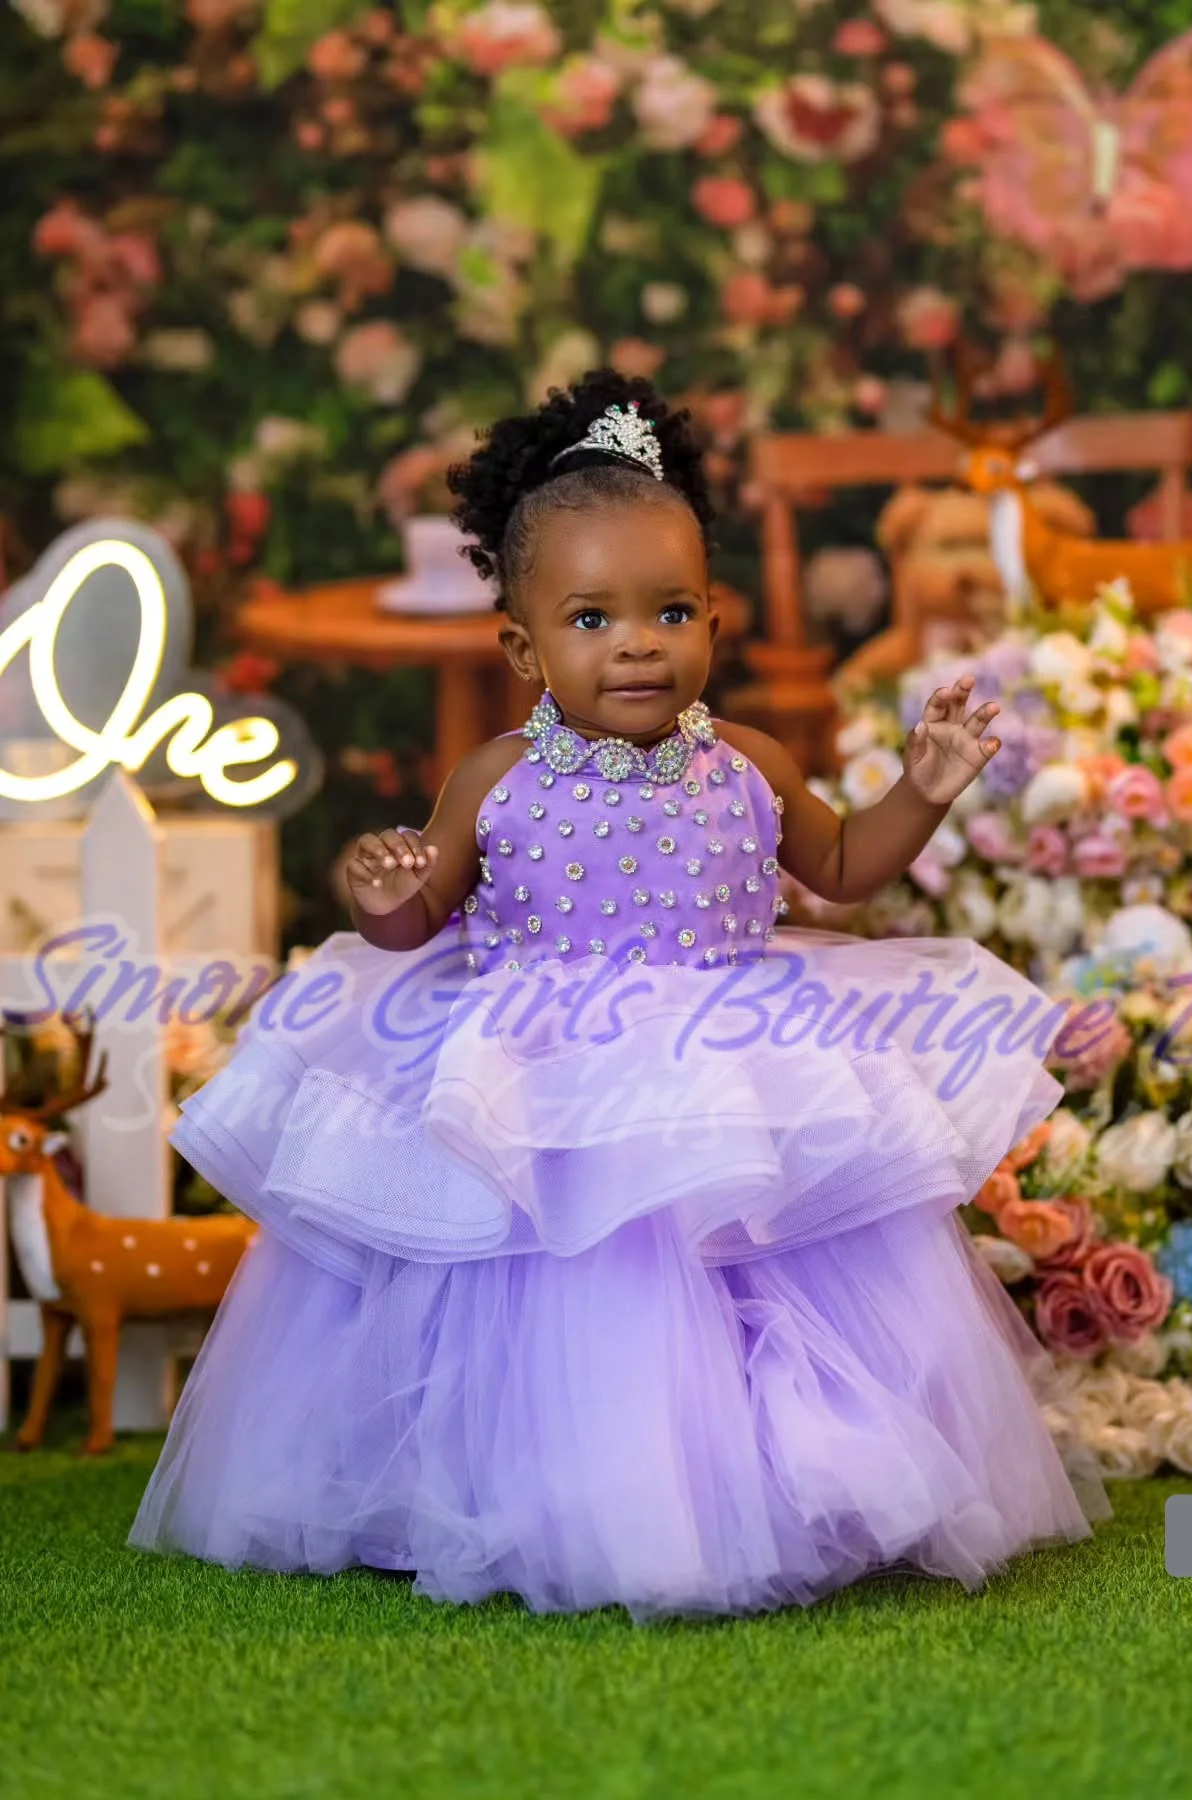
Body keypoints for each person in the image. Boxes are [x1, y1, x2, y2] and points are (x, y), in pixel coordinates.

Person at [130, 369, 1111, 1621]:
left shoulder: (747, 762)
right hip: (546, 1073)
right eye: (591, 618)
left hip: (730, 1056)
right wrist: (385, 888)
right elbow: (418, 914)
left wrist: (924, 786)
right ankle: (536, 1493)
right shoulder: (493, 777)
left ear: (715, 620)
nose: (636, 641)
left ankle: (771, 1485)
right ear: (523, 646)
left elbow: (846, 871)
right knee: (552, 1285)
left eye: (670, 610)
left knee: (745, 1272)